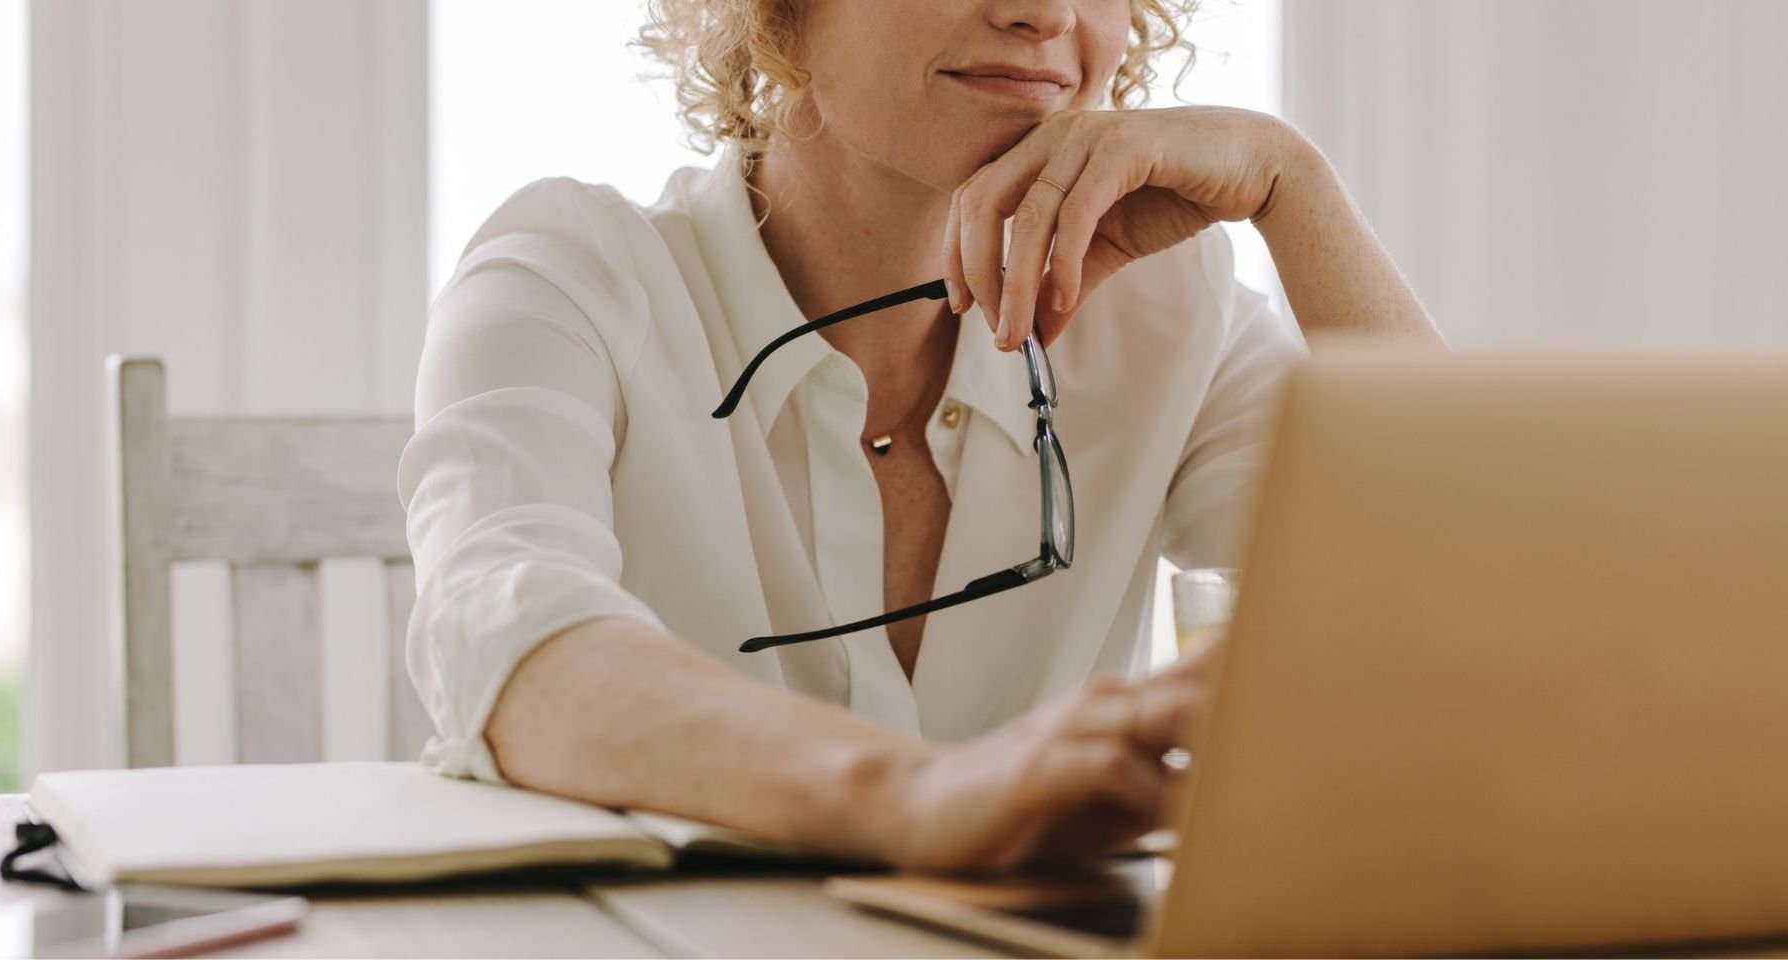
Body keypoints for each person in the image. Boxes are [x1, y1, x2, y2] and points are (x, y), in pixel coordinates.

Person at [398, 0, 1442, 873]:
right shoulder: (568, 276)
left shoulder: (1167, 306)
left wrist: (1293, 188)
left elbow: (1457, 604)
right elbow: (505, 644)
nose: (1044, 12)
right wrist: (919, 796)